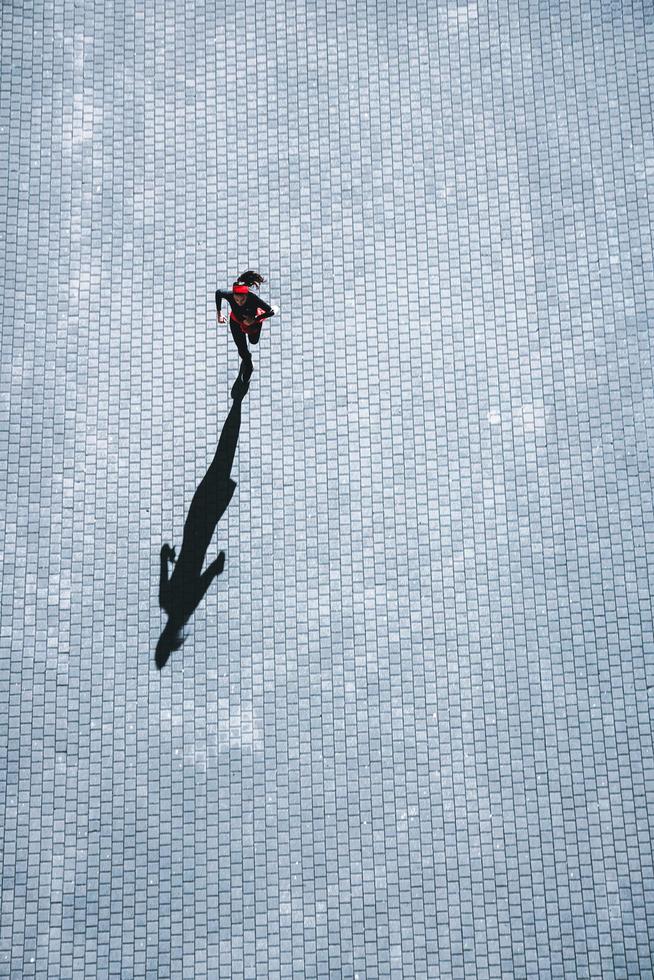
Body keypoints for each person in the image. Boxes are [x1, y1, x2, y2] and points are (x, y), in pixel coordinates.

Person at [215, 270, 276, 376]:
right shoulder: (229, 295)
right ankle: (248, 364)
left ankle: (248, 357)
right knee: (241, 348)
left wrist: (255, 319)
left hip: (253, 324)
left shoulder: (253, 298)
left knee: (253, 341)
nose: (239, 303)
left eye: (242, 300)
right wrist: (219, 313)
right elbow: (218, 293)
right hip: (236, 322)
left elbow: (270, 311)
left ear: (247, 295)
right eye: (236, 300)